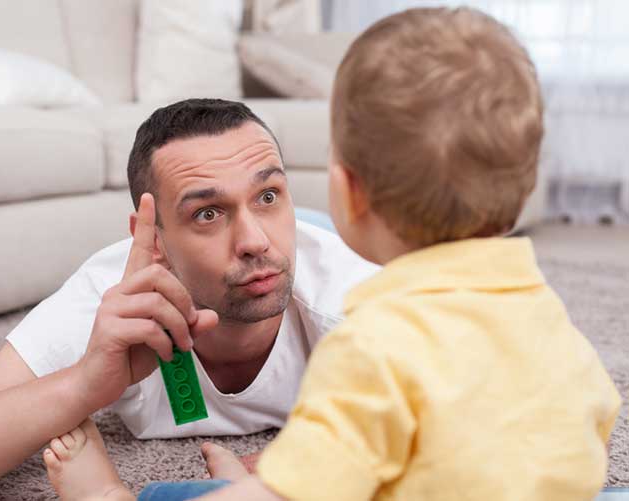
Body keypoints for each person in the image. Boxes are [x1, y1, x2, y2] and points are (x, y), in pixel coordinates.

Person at [42, 7, 622, 501]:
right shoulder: (553, 324)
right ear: (525, 191)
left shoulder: (370, 346)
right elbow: (590, 435)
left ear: (345, 191)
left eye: (269, 195)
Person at [0, 99, 378, 500]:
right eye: (208, 213)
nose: (254, 240)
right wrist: (83, 385)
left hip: (320, 236)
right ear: (153, 240)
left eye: (269, 196)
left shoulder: (354, 298)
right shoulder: (113, 299)